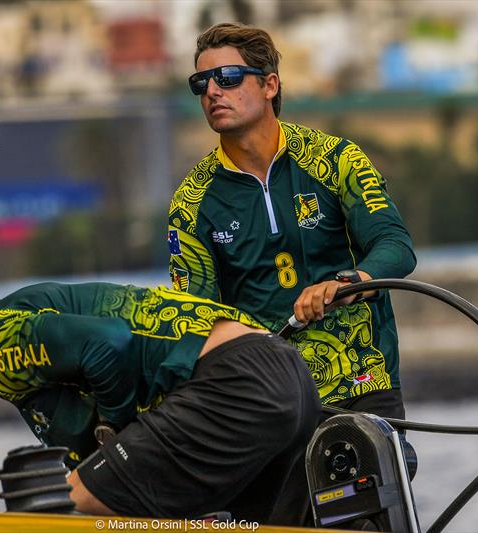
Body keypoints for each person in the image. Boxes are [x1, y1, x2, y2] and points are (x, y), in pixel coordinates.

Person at [167, 23, 416, 523]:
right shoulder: (191, 204)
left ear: (270, 85)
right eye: (202, 84)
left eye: (230, 77)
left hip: (362, 384)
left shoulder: (337, 160)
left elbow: (395, 246)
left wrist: (349, 281)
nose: (213, 91)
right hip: (268, 404)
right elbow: (193, 320)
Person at [0, 282, 321, 522]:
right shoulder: (25, 320)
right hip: (288, 376)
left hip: (233, 383)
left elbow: (107, 344)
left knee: (62, 506)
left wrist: (114, 430)